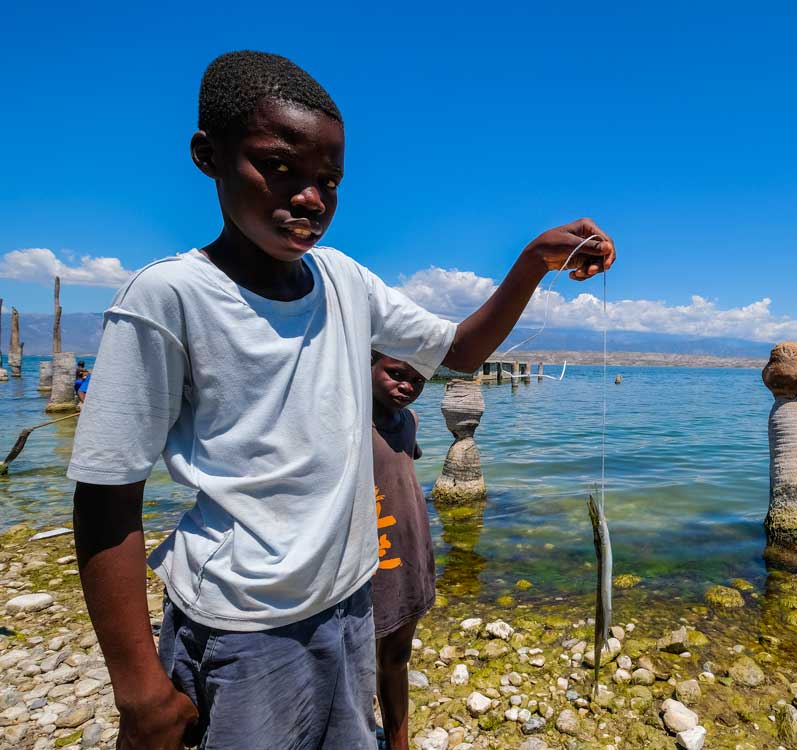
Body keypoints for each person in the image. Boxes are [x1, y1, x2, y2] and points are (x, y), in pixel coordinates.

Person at [68, 50, 614, 750]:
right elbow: (107, 493)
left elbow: (460, 350)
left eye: (329, 180)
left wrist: (534, 260)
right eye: (280, 167)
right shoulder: (167, 298)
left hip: (349, 606)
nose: (309, 198)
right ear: (209, 155)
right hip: (242, 626)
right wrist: (139, 690)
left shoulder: (342, 278)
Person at [367, 353, 432, 750]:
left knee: (397, 654)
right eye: (395, 374)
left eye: (418, 381)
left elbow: (403, 466)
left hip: (411, 556)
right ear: (368, 364)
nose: (406, 386)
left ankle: (398, 742)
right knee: (357, 655)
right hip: (372, 558)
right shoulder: (352, 423)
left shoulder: (410, 422)